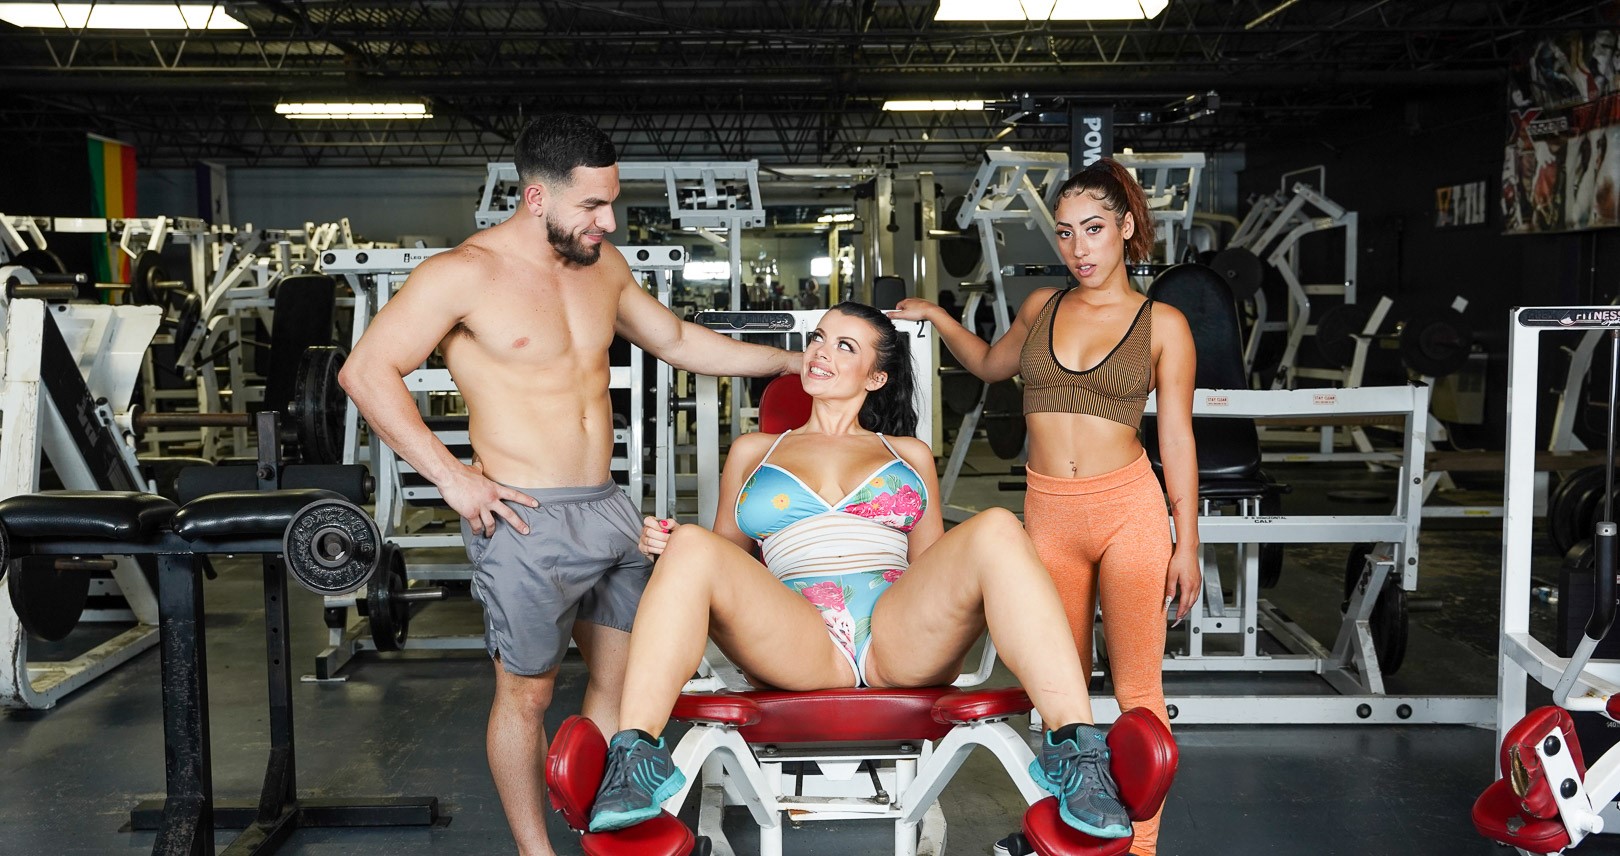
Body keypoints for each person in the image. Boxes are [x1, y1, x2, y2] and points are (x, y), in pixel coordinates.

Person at [338, 113, 801, 856]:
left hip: (607, 509)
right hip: (525, 520)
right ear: (536, 198)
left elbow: (678, 340)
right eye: (591, 205)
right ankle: (536, 852)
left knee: (626, 689)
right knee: (528, 696)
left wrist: (790, 363)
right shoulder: (462, 274)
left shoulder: (603, 266)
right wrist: (454, 478)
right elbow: (365, 371)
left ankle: (601, 836)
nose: (607, 222)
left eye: (611, 202)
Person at [585, 302, 1133, 841]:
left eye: (844, 346)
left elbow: (933, 568)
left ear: (875, 377)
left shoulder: (908, 454)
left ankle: (1078, 753)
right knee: (692, 545)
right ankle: (634, 759)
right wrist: (674, 546)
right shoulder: (754, 451)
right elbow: (726, 558)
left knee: (997, 527)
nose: (820, 352)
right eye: (818, 338)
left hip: (898, 634)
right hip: (799, 635)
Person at [890, 158, 1198, 856]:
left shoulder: (1164, 325)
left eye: (1093, 229)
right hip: (1050, 514)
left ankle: (1141, 847)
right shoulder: (1040, 308)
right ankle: (1071, 838)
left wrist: (1189, 540)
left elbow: (1177, 437)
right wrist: (937, 315)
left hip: (1129, 510)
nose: (1078, 248)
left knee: (1138, 691)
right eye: (1064, 233)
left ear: (1126, 227)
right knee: (1058, 697)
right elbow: (988, 366)